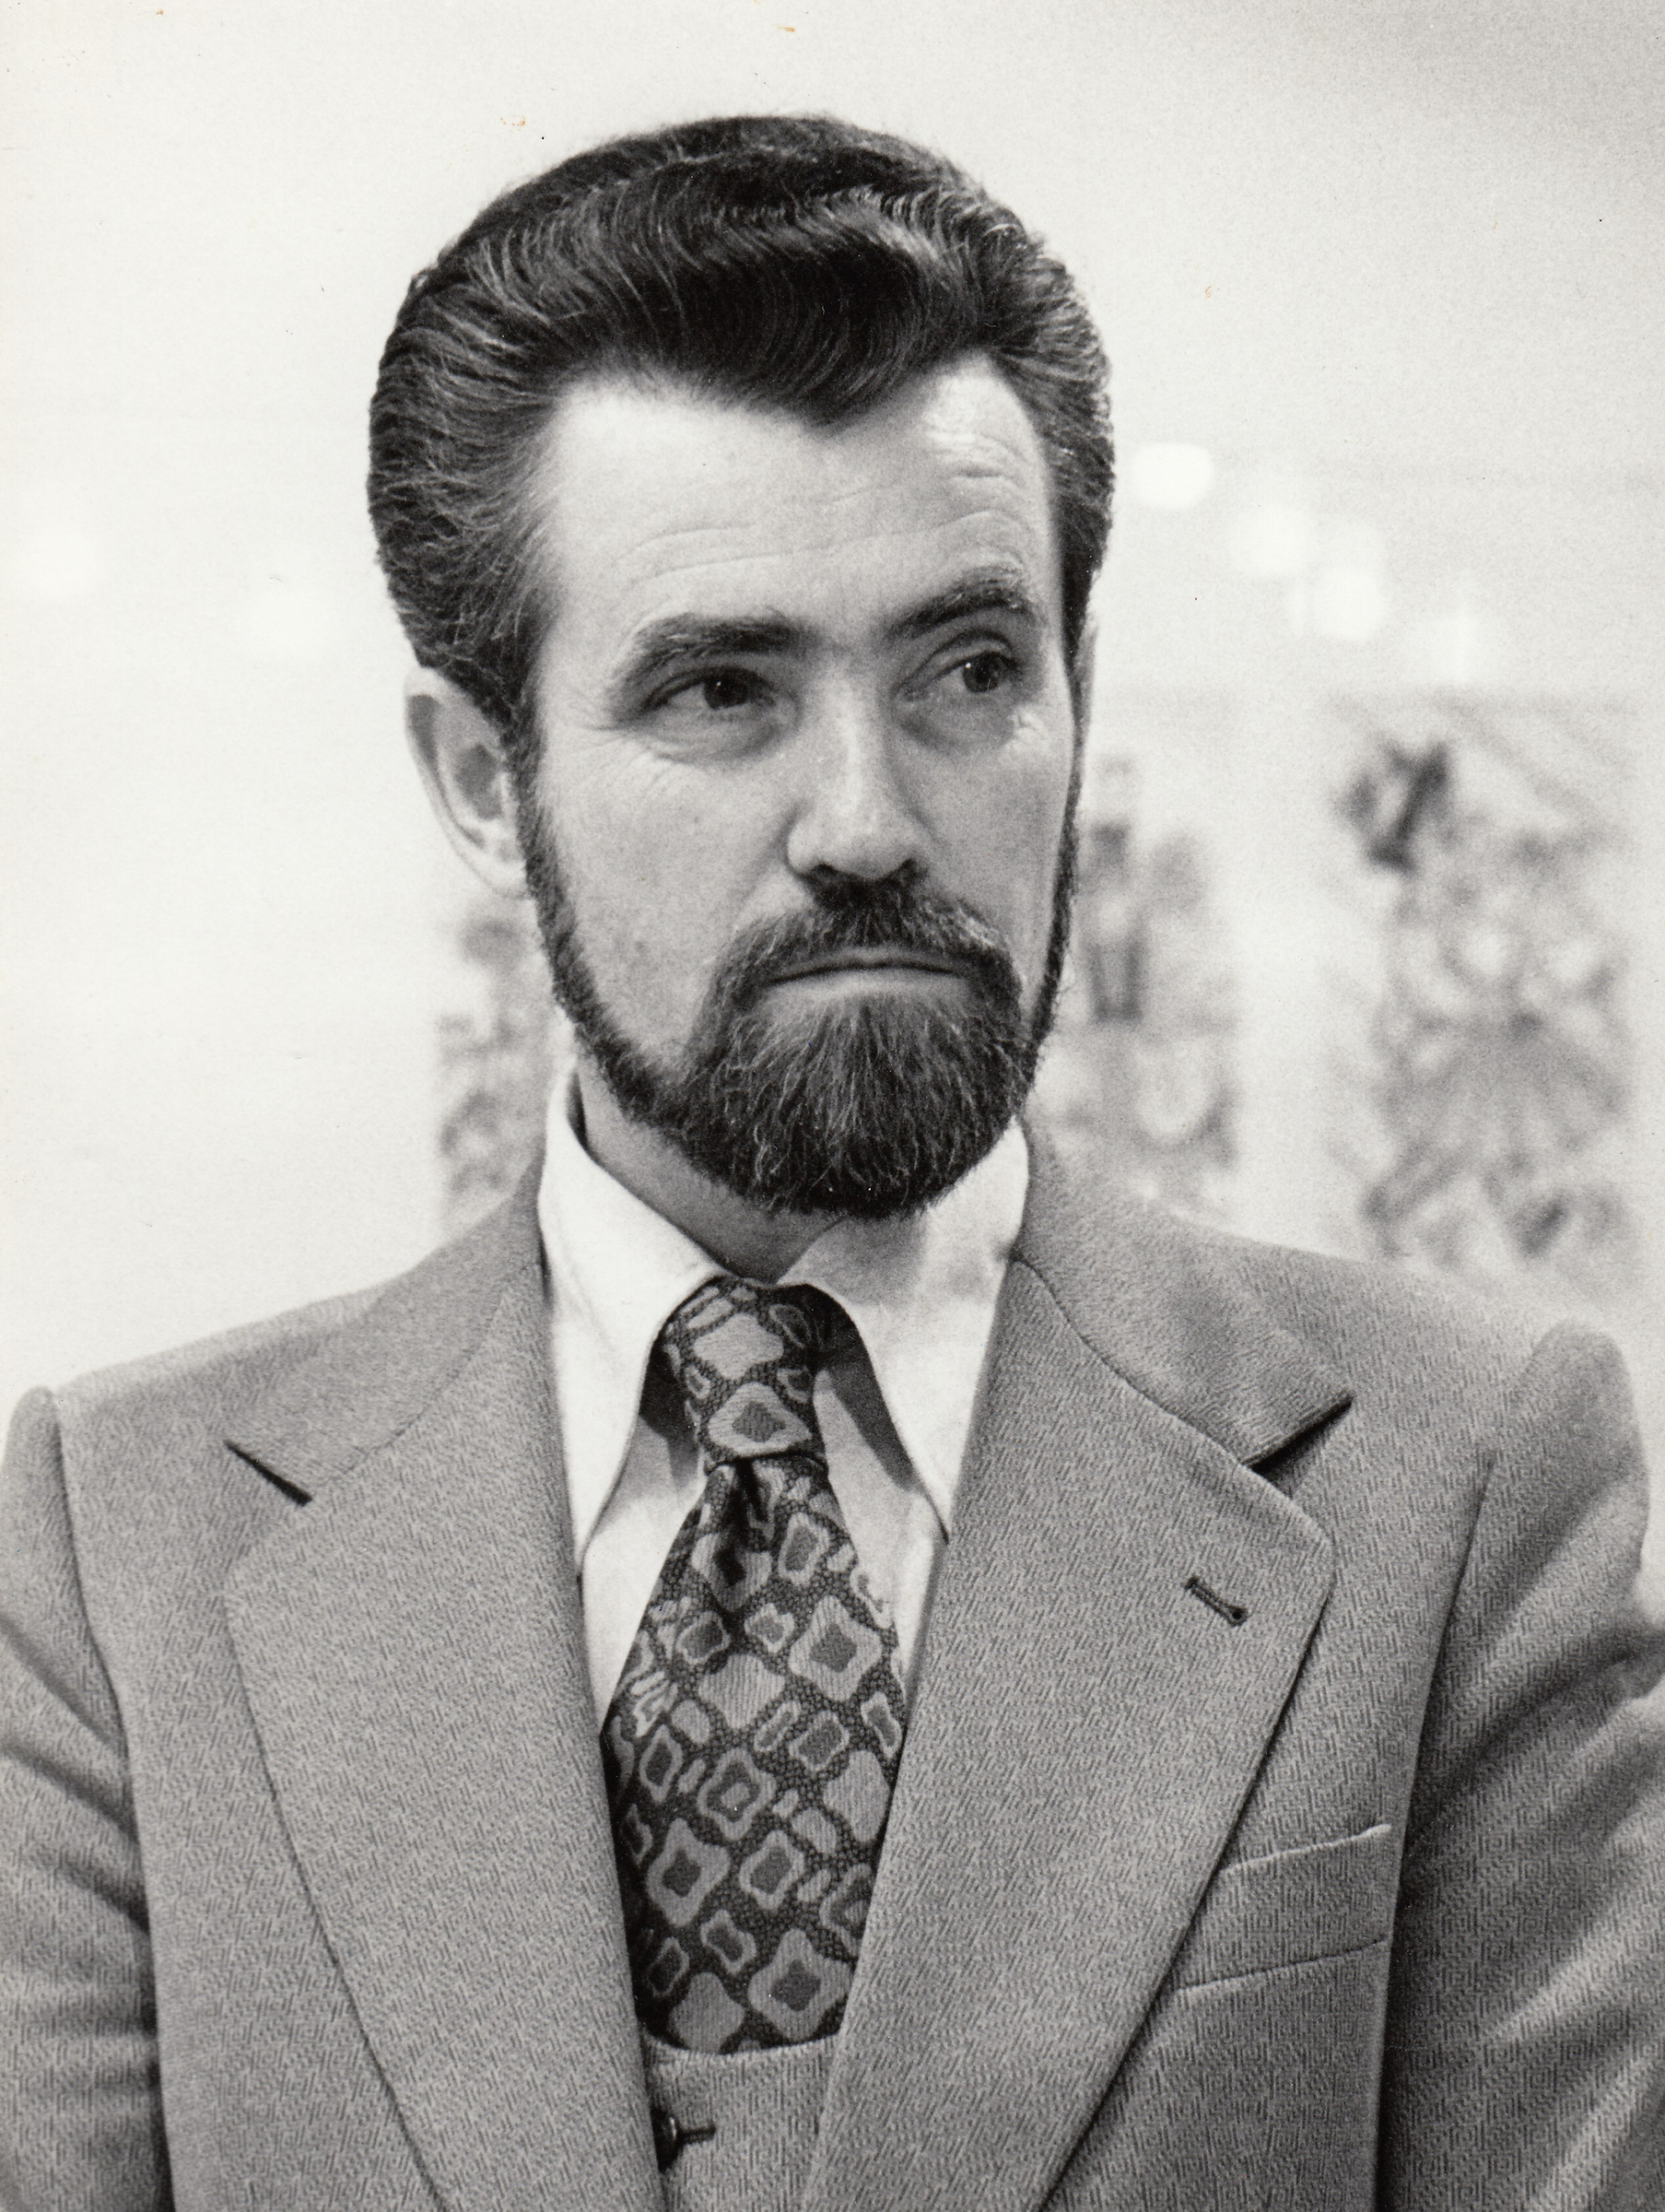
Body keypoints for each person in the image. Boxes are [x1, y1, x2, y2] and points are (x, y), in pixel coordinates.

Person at [2, 113, 1661, 2212]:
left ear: (1075, 697)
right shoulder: (122, 1550)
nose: (869, 820)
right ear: (483, 782)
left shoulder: (1460, 1484)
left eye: (970, 670)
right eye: (722, 689)